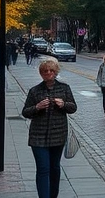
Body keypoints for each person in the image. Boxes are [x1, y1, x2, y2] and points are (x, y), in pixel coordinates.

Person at [22, 58, 78, 198]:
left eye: (51, 71)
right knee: (43, 168)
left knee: (54, 167)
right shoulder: (35, 91)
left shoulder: (64, 88)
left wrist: (63, 104)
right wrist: (37, 107)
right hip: (38, 136)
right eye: (45, 71)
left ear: (56, 72)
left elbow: (73, 108)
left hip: (58, 135)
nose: (48, 73)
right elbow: (25, 112)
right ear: (41, 73)